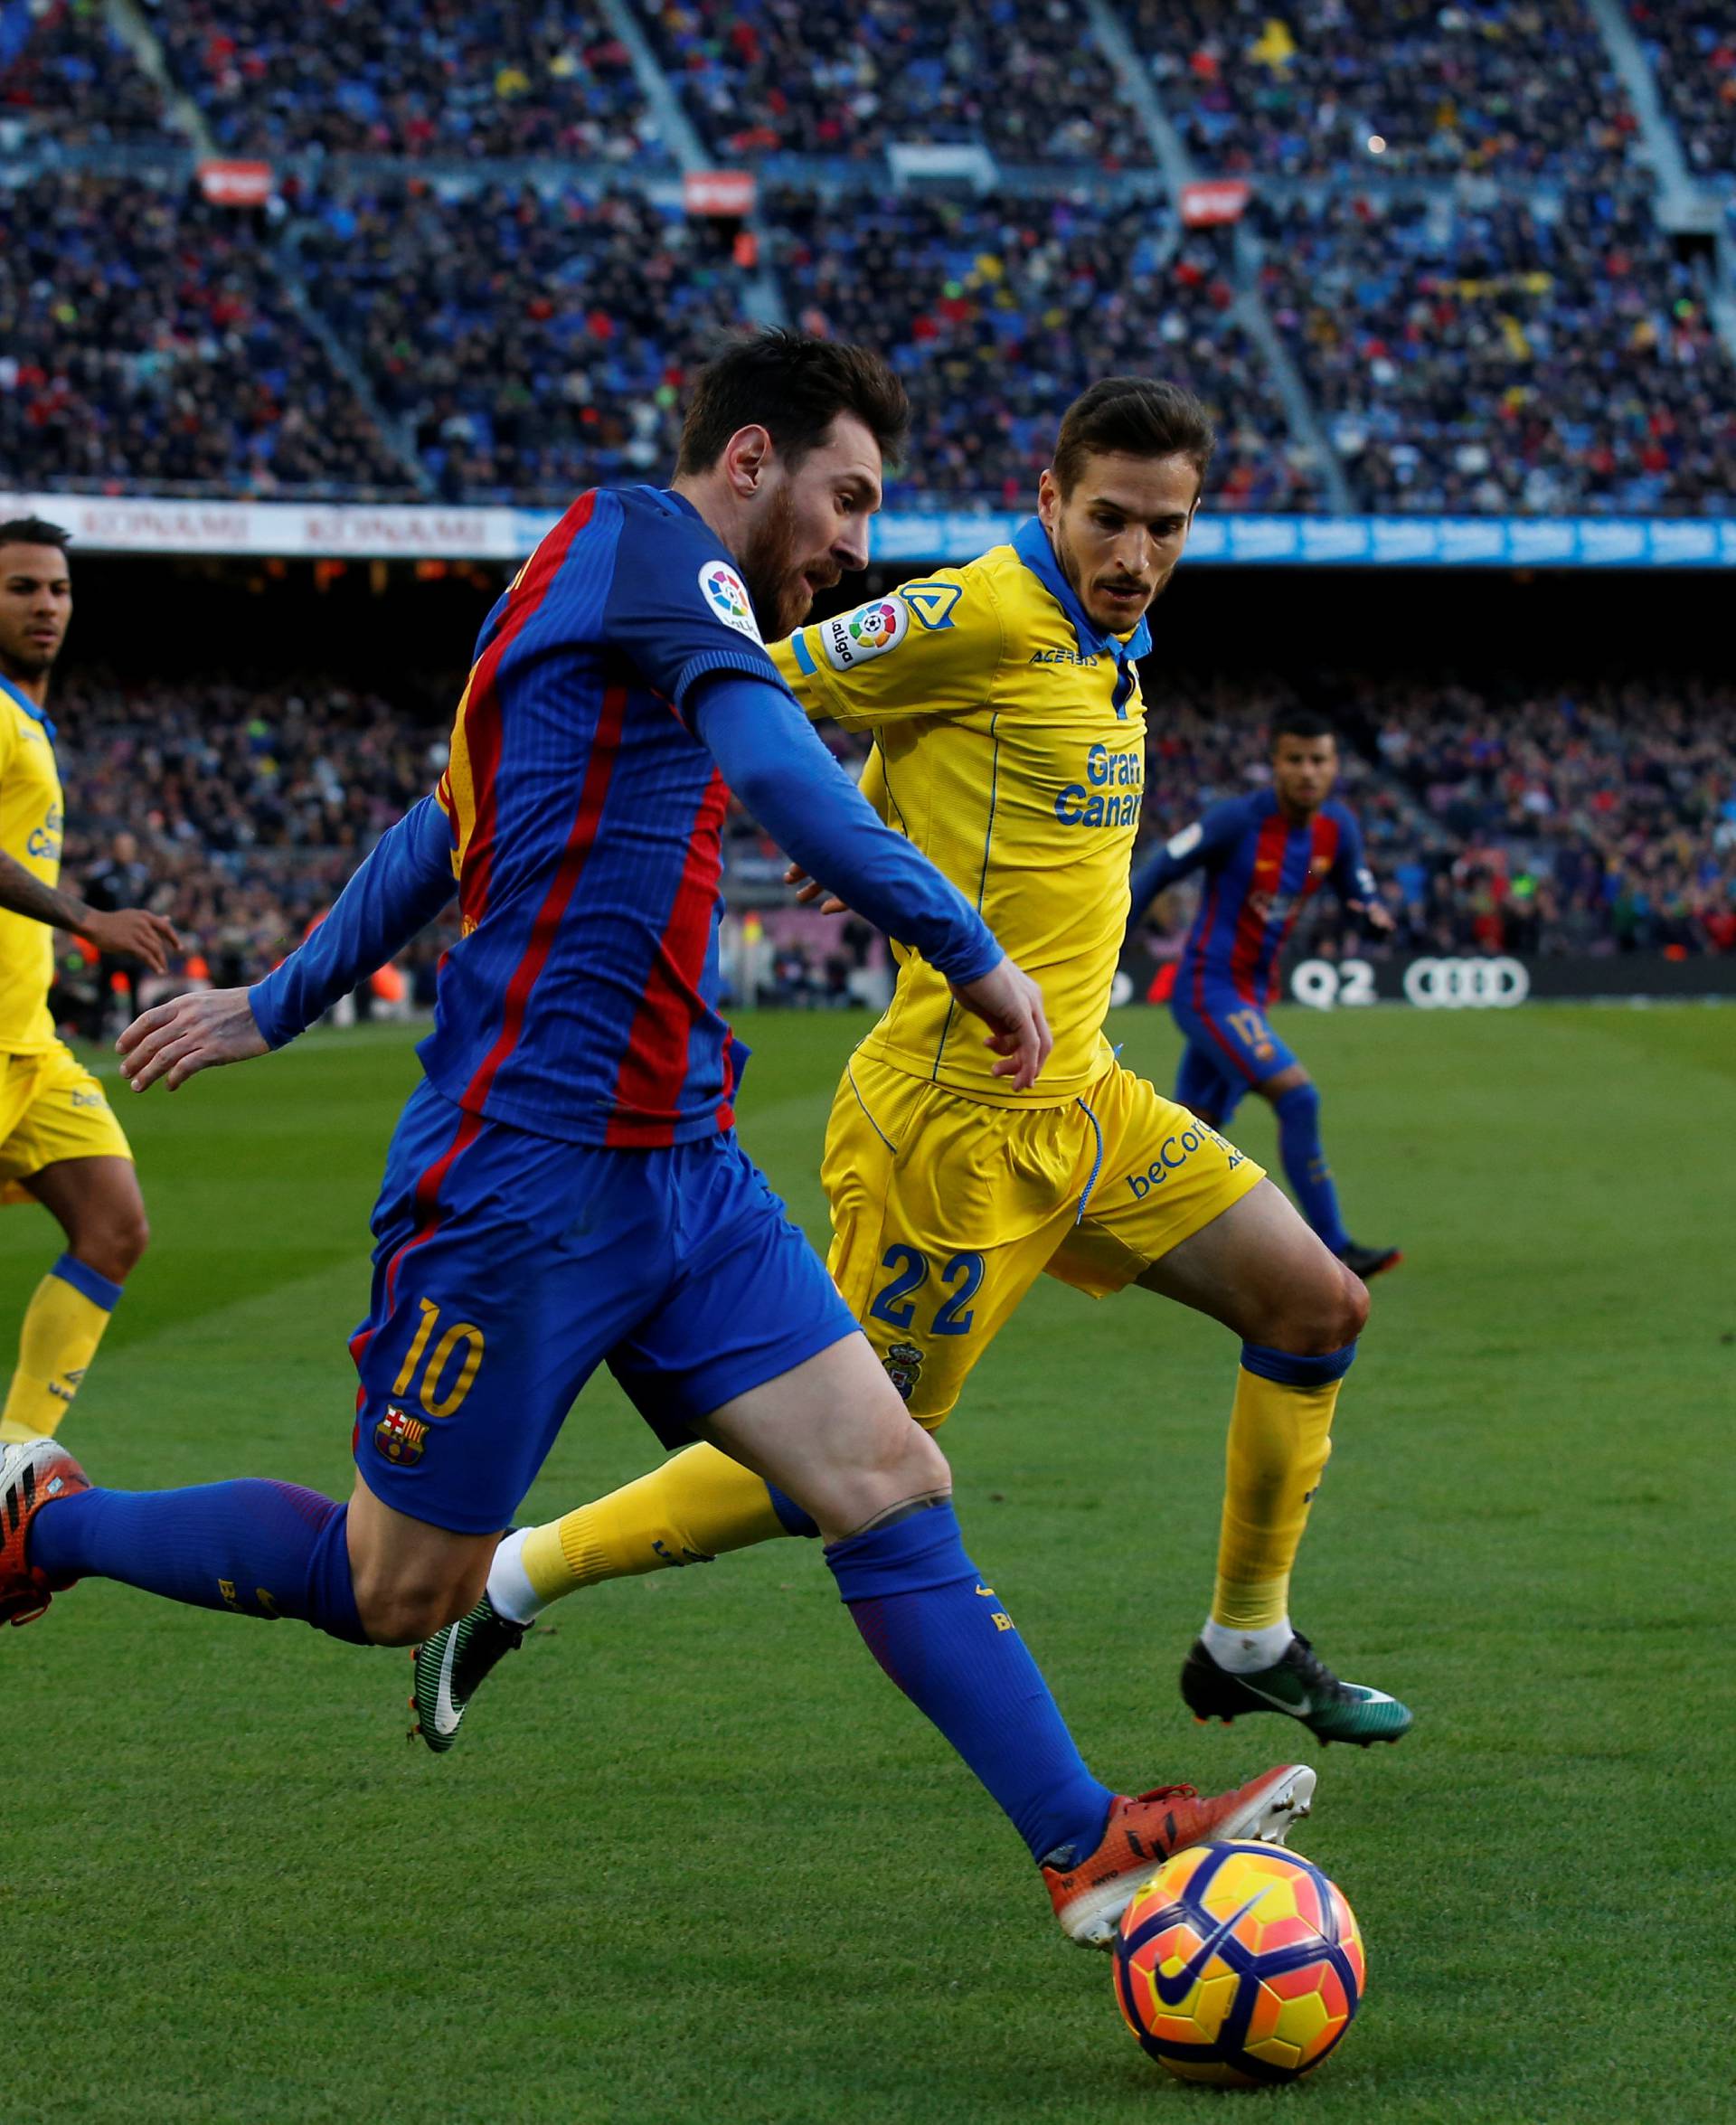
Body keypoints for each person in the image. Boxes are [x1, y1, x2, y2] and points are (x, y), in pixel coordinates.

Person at [4, 337, 1312, 1951]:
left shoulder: (656, 606)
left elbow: (445, 821)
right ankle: (43, 1523)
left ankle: (1083, 1841)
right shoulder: (642, 549)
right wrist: (963, 941)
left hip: (682, 1166)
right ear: (748, 458)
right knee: (392, 1586)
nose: (851, 543)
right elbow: (754, 767)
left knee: (886, 1471)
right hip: (522, 1176)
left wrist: (273, 998)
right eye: (844, 499)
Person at [407, 376, 1411, 1763]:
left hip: (1087, 1096)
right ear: (1047, 500)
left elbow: (935, 743)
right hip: (946, 1128)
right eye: (1108, 520)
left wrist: (877, 807)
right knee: (846, 1464)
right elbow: (752, 680)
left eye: (1164, 528)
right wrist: (809, 821)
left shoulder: (1105, 636)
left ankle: (1248, 1638)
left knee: (1316, 1305)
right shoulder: (979, 610)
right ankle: (517, 1572)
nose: (1134, 556)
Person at [0, 519, 178, 1445]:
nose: (46, 606)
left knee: (112, 1223)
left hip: (27, 1041)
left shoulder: (27, 716)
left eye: (58, 589)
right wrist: (84, 918)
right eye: (22, 588)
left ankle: (11, 1470)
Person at [1130, 709, 1402, 1280]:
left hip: (1251, 995)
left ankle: (1129, 1235)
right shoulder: (1234, 822)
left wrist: (1370, 912)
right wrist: (1110, 928)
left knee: (1193, 1126)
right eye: (1295, 759)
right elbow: (1158, 871)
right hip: (1209, 988)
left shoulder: (1337, 830)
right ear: (1274, 763)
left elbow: (1357, 888)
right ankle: (1335, 1245)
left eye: (1319, 760)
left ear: (1334, 766)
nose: (1308, 772)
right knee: (1298, 1098)